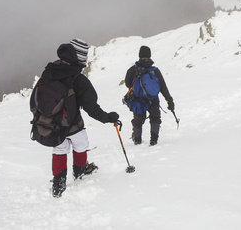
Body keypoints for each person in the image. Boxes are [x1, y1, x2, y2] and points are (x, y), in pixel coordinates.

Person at [38, 39, 119, 197]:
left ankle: (58, 182)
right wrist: (109, 118)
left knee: (59, 148)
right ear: (80, 58)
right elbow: (92, 108)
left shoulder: (50, 71)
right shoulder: (78, 79)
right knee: (81, 143)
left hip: (51, 123)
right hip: (73, 123)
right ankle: (80, 169)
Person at [124, 46, 174, 146]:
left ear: (139, 55)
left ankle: (137, 140)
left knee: (138, 120)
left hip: (138, 100)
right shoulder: (155, 70)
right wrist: (169, 101)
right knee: (155, 118)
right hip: (153, 99)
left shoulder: (133, 69)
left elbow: (127, 83)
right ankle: (154, 140)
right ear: (150, 56)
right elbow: (163, 87)